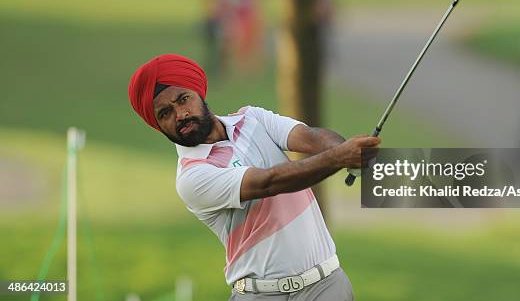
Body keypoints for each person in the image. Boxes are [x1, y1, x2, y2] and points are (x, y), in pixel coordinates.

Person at [127, 54, 380, 300]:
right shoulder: (192, 176)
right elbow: (269, 182)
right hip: (260, 294)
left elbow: (310, 137)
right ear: (158, 125)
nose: (180, 114)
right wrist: (339, 157)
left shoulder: (252, 119)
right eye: (165, 113)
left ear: (199, 93)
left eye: (183, 99)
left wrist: (348, 151)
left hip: (326, 287)